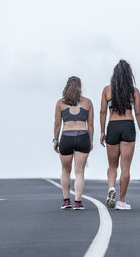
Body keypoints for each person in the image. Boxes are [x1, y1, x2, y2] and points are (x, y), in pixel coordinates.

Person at [100, 60, 140, 210]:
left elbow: (102, 112)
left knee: (112, 165)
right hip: (128, 125)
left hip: (112, 126)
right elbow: (138, 112)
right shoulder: (134, 91)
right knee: (125, 168)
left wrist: (102, 132)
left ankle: (111, 187)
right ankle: (121, 200)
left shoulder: (107, 90)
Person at [53, 76, 94, 210]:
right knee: (79, 172)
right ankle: (78, 202)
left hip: (66, 138)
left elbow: (58, 124)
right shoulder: (88, 102)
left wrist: (55, 140)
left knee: (65, 170)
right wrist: (91, 141)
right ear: (80, 87)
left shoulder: (60, 103)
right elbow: (91, 125)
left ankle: (66, 201)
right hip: (83, 137)